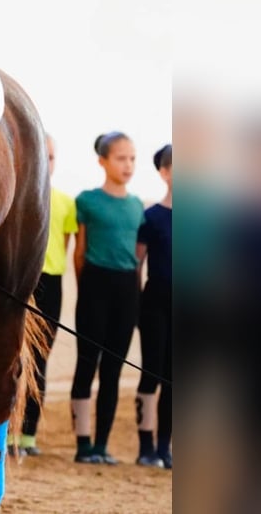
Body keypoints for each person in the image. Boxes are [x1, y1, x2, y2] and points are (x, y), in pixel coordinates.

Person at [70, 131, 144, 465]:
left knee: (113, 369)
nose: (128, 165)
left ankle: (102, 444)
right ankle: (83, 444)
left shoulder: (137, 205)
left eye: (132, 158)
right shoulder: (87, 200)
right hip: (94, 286)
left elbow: (139, 257)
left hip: (127, 288)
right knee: (87, 363)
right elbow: (80, 253)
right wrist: (85, 289)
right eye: (120, 158)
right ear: (102, 161)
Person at [14, 134, 77, 456]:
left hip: (50, 284)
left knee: (39, 362)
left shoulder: (66, 203)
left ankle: (28, 435)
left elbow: (64, 249)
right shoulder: (16, 196)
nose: (47, 162)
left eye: (52, 157)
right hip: (18, 281)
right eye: (44, 155)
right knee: (8, 358)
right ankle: (3, 431)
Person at [135, 144, 172, 468]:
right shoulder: (151, 217)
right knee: (151, 373)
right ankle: (146, 445)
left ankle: (165, 446)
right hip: (155, 301)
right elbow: (138, 263)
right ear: (164, 172)